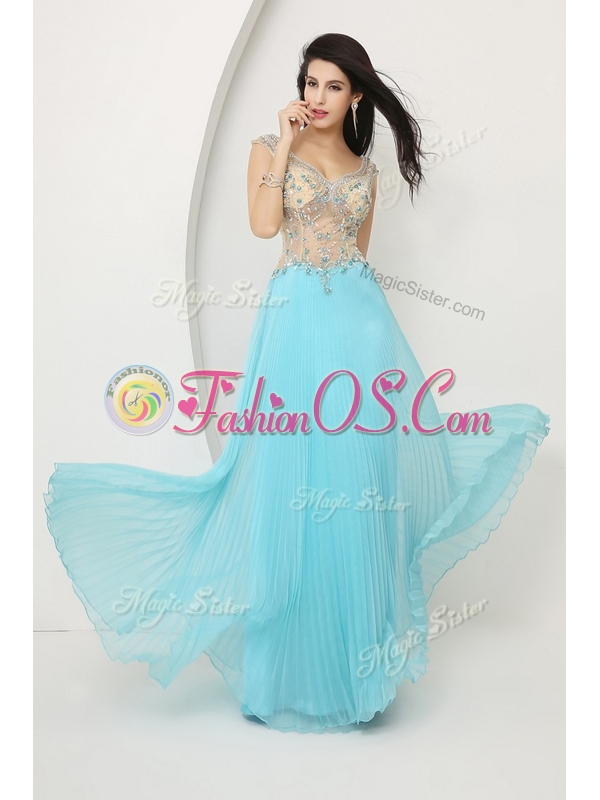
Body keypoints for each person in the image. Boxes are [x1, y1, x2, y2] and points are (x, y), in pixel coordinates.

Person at [43, 33, 550, 734]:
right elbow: (263, 226)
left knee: (361, 487)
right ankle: (287, 674)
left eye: (332, 86)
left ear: (356, 97)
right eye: (309, 83)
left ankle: (355, 676)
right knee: (286, 486)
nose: (316, 97)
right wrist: (284, 145)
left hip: (364, 336)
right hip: (293, 327)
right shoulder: (267, 148)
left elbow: (359, 259)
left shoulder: (365, 171)